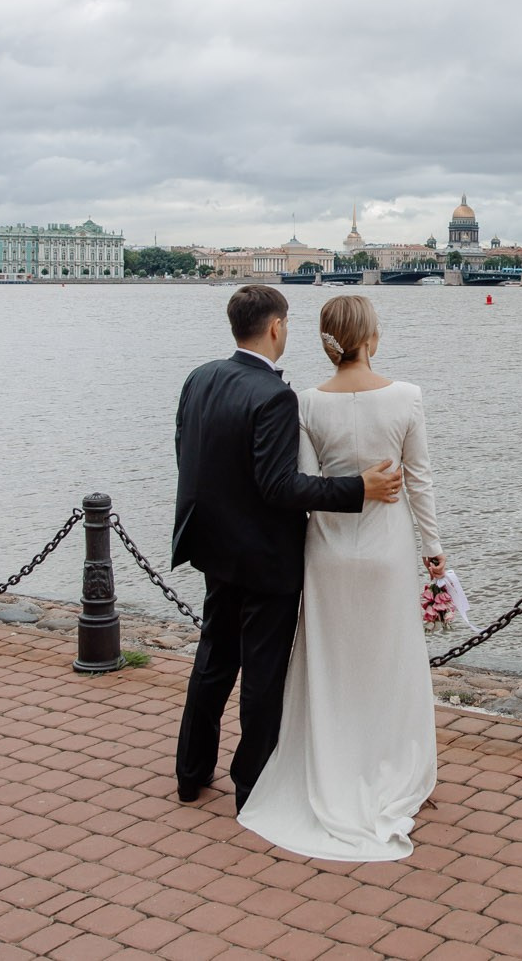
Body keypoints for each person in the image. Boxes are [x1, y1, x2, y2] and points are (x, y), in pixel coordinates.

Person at [171, 285, 404, 810]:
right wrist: (357, 488)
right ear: (276, 327)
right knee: (262, 674)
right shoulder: (275, 395)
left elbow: (187, 451)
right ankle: (251, 785)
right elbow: (279, 486)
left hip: (213, 546)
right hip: (265, 558)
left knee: (213, 660)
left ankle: (191, 773)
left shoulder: (200, 378)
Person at [237, 294, 446, 861]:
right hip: (385, 548)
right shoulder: (406, 397)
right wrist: (435, 552)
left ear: (328, 341)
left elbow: (305, 485)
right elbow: (420, 482)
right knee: (389, 661)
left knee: (330, 662)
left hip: (326, 549)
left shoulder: (306, 402)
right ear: (371, 337)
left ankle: (331, 763)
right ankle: (391, 766)